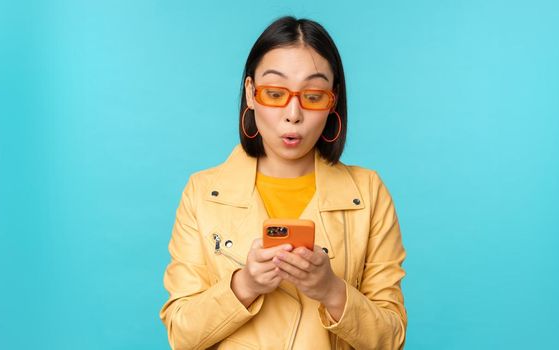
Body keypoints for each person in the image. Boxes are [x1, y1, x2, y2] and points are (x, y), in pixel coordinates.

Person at [159, 16, 407, 349]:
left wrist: (331, 290)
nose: (293, 114)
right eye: (275, 93)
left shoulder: (368, 192)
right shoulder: (203, 193)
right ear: (250, 93)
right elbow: (181, 334)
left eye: (314, 95)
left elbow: (391, 339)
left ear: (333, 100)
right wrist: (244, 285)